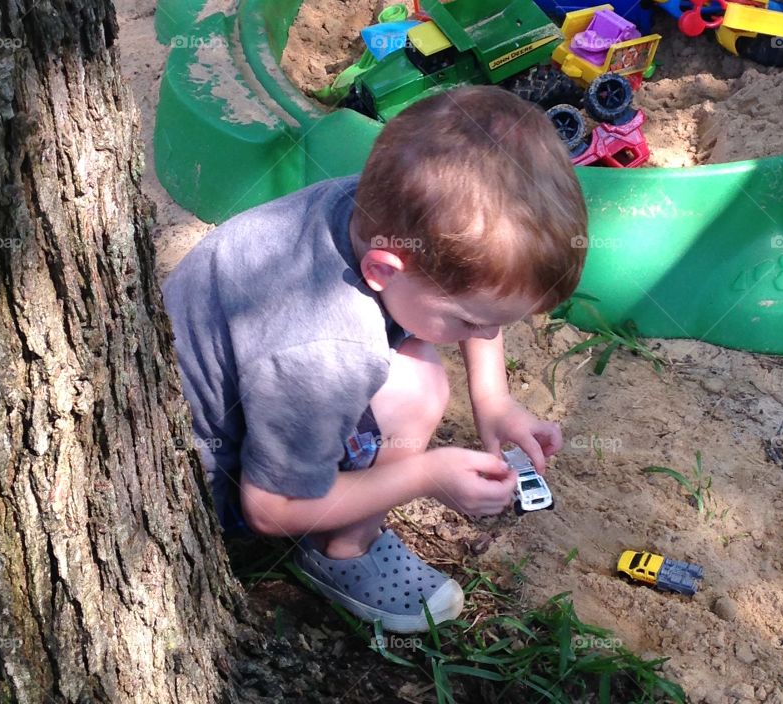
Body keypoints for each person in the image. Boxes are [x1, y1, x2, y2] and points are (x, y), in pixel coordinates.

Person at [163, 85, 588, 633]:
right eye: (469, 321)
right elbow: (269, 508)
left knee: (418, 363)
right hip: (217, 484)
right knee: (419, 386)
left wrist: (494, 400)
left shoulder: (378, 208)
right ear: (384, 271)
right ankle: (342, 549)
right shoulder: (327, 351)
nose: (484, 335)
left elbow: (474, 296)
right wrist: (427, 474)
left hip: (263, 400)